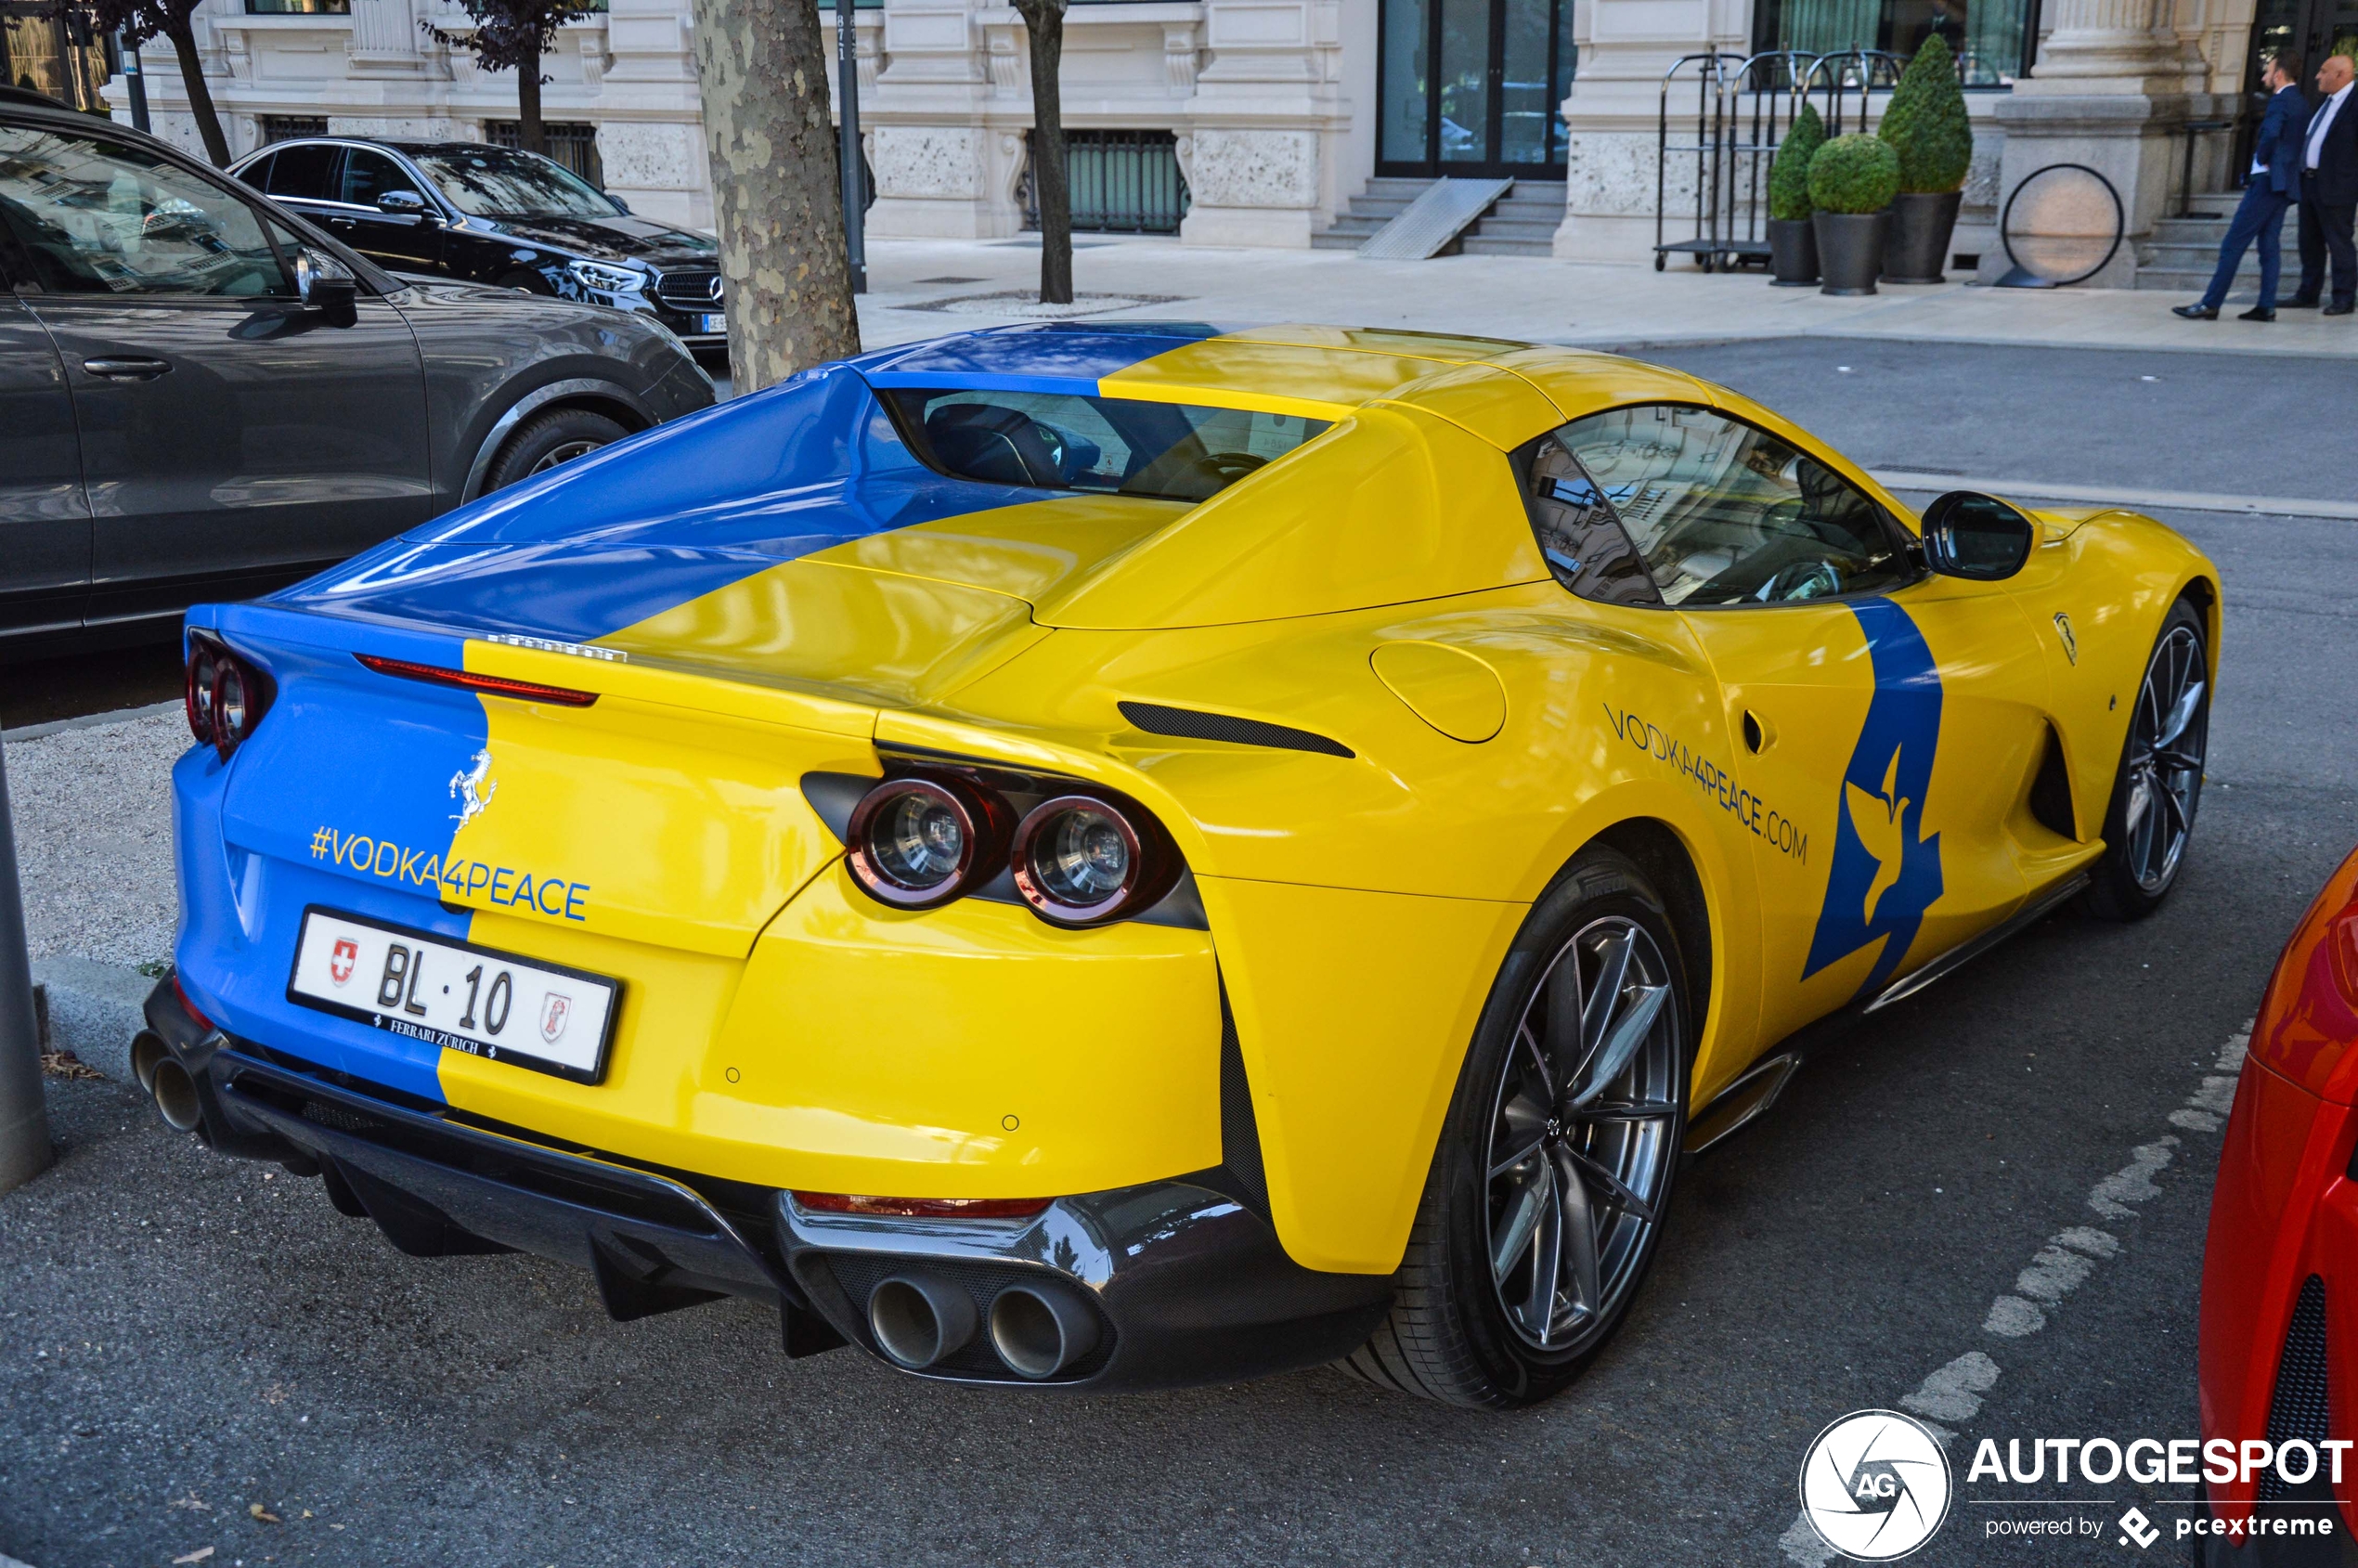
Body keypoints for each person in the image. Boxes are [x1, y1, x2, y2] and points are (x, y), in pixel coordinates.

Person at [2176, 51, 2309, 320]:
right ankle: (2266, 306)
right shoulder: (2303, 103)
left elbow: (2271, 133)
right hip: (2284, 186)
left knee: (2232, 244)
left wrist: (2262, 158)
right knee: (2269, 246)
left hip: (2267, 183)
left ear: (2279, 75)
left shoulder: (2280, 101)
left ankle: (2211, 303)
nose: (2264, 76)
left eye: (2268, 71)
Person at [2285, 52, 2357, 315]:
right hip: (2310, 182)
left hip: (2338, 187)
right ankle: (2308, 293)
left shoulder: (2354, 102)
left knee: (2339, 244)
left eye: (2324, 71)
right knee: (2309, 242)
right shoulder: (2323, 102)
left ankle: (2344, 298)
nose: (2317, 76)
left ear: (2341, 74)